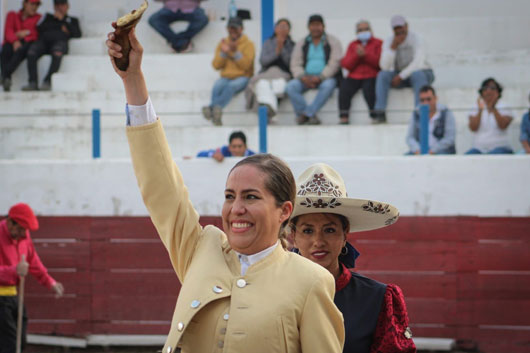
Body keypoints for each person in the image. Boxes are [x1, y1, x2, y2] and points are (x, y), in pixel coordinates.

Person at [106, 24, 345, 353]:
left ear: (284, 211)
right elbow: (161, 186)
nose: (235, 209)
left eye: (251, 197)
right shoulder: (202, 248)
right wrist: (133, 80)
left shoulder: (311, 281)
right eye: (229, 196)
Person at [289, 164, 417, 353]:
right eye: (307, 231)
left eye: (329, 230)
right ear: (293, 235)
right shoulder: (272, 291)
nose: (318, 241)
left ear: (345, 233)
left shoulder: (376, 299)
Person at [0, 203, 64, 353]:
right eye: (21, 229)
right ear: (10, 222)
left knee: (20, 343)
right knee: (9, 345)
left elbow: (33, 261)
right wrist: (14, 270)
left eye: (26, 230)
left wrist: (49, 281)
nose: (24, 233)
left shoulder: (23, 236)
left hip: (13, 296)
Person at [373, 15, 434, 124]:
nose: (400, 32)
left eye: (401, 28)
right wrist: (392, 49)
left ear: (406, 26)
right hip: (401, 76)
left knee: (417, 75)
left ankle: (419, 113)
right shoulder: (389, 41)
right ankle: (380, 112)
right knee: (382, 75)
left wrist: (401, 76)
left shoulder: (417, 38)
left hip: (422, 73)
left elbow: (418, 63)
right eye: (396, 30)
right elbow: (384, 66)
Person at [286, 14, 342, 125]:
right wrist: (303, 77)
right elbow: (295, 64)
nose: (315, 28)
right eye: (313, 25)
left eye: (318, 25)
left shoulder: (333, 41)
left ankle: (306, 114)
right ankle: (308, 114)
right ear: (308, 27)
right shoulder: (302, 43)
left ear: (323, 26)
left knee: (329, 86)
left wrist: (320, 77)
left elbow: (335, 62)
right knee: (290, 86)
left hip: (325, 78)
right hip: (305, 78)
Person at [202, 17, 255, 126]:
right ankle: (216, 114)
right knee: (217, 86)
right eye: (230, 28)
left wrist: (234, 52)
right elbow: (216, 65)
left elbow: (246, 66)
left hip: (243, 77)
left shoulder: (249, 44)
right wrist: (223, 53)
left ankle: (213, 108)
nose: (233, 31)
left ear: (241, 29)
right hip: (225, 77)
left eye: (235, 28)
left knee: (231, 87)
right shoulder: (222, 44)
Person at [22, 0, 81, 91]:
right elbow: (39, 28)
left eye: (62, 4)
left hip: (59, 43)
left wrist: (63, 20)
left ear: (67, 6)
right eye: (57, 4)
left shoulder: (72, 20)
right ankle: (32, 82)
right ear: (54, 7)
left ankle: (47, 81)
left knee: (57, 52)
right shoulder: (48, 17)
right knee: (31, 52)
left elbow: (77, 33)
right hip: (44, 42)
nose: (59, 7)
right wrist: (59, 26)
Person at [244, 18, 295, 121]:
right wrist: (276, 52)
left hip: (283, 75)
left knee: (278, 86)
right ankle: (271, 115)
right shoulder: (268, 43)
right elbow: (263, 61)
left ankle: (267, 115)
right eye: (280, 27)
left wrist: (282, 49)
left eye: (285, 27)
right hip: (267, 73)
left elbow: (291, 64)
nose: (282, 29)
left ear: (289, 30)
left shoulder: (292, 45)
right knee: (262, 84)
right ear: (275, 29)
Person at [338, 20, 382, 124]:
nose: (363, 32)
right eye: (360, 30)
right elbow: (346, 64)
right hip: (355, 76)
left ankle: (374, 116)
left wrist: (366, 55)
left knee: (369, 90)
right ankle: (344, 117)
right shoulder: (352, 45)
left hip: (371, 75)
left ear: (371, 30)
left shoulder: (378, 43)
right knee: (344, 89)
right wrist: (357, 56)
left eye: (366, 29)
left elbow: (380, 63)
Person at [1, 0, 42, 92]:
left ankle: (5, 75)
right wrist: (15, 40)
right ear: (24, 3)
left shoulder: (39, 18)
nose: (34, 7)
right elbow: (8, 31)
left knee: (22, 49)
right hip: (12, 43)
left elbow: (37, 34)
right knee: (6, 48)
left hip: (27, 44)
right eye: (32, 4)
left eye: (36, 5)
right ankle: (6, 79)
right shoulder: (13, 15)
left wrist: (26, 33)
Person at [466, 78, 514, 154]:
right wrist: (480, 110)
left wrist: (493, 107)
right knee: (468, 157)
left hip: (501, 147)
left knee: (494, 155)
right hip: (479, 148)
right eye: (485, 88)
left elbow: (503, 125)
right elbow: (473, 127)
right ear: (481, 92)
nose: (489, 91)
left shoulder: (504, 106)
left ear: (498, 92)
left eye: (492, 88)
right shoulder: (476, 107)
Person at [406, 85, 456, 154]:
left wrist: (433, 150)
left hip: (441, 150)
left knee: (441, 158)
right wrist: (417, 149)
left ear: (435, 98)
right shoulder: (416, 113)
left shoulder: (445, 112)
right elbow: (410, 137)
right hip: (420, 150)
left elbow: (449, 138)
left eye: (428, 99)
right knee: (404, 160)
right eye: (422, 100)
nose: (425, 103)